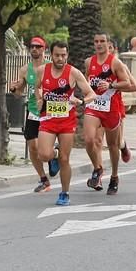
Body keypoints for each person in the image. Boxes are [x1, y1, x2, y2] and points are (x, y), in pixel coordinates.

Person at [34, 41, 97, 207]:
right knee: (43, 155)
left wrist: (81, 101)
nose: (60, 58)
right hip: (48, 119)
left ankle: (64, 193)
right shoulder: (42, 71)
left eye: (63, 55)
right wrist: (39, 99)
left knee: (65, 158)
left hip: (66, 121)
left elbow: (92, 93)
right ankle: (52, 156)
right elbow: (37, 88)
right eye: (57, 55)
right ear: (51, 55)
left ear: (67, 55)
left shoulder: (73, 73)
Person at [83, 32, 136, 195]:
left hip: (111, 108)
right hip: (94, 106)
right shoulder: (89, 62)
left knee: (113, 145)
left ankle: (114, 176)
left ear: (108, 44)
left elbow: (128, 83)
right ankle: (98, 169)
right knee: (89, 139)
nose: (99, 44)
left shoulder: (116, 63)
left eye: (102, 41)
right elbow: (86, 80)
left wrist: (111, 85)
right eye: (96, 41)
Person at [9, 36, 54, 193]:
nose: (34, 49)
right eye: (32, 46)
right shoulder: (24, 69)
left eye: (38, 46)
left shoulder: (51, 66)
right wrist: (14, 89)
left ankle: (53, 156)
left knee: (44, 150)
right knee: (32, 146)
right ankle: (43, 179)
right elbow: (19, 93)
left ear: (44, 49)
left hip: (51, 110)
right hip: (33, 111)